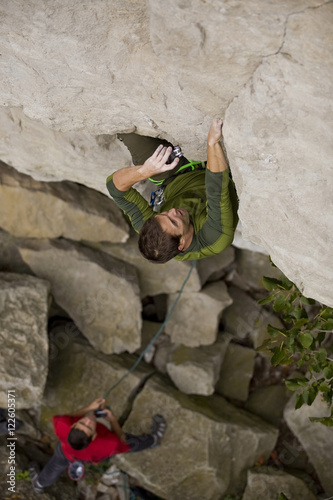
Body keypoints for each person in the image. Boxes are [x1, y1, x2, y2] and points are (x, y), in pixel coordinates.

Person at [106, 118, 238, 263]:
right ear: (182, 244)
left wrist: (145, 171)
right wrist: (212, 143)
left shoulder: (150, 227)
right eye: (174, 222)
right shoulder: (214, 238)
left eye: (163, 214)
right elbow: (216, 192)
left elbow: (115, 189)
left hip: (173, 173)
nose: (173, 211)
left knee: (130, 134)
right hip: (227, 176)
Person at [29, 398, 166, 493]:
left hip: (66, 453)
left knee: (54, 467)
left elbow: (67, 416)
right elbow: (122, 439)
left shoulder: (63, 426)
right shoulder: (107, 444)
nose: (88, 420)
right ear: (94, 436)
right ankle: (154, 439)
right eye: (89, 427)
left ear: (74, 425)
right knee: (131, 443)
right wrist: (112, 420)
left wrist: (89, 408)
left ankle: (39, 484)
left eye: (82, 423)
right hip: (94, 454)